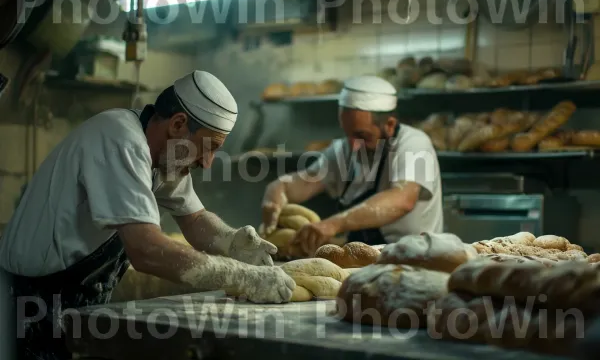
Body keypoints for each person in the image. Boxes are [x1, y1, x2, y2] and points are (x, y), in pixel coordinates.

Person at [0, 70, 295, 359]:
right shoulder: (121, 140)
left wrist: (232, 241)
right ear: (179, 124)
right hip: (30, 304)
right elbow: (145, 249)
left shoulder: (165, 155)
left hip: (74, 301)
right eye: (209, 147)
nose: (207, 163)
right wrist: (241, 277)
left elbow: (194, 219)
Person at [261, 75, 443, 255]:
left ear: (389, 124)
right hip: (361, 262)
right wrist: (278, 188)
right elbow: (305, 182)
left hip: (415, 261)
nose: (353, 145)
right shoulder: (344, 149)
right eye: (347, 134)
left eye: (362, 135)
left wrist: (334, 224)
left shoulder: (415, 144)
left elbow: (403, 199)